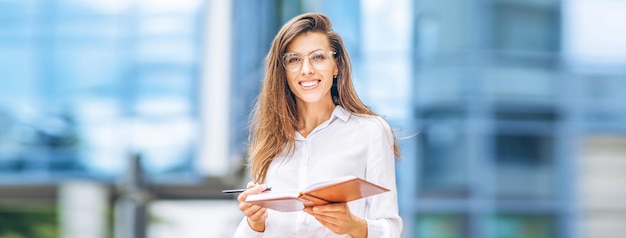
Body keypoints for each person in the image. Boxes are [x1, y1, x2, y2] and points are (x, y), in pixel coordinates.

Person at [234, 12, 403, 237]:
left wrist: (354, 225)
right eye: (294, 59)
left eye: (318, 57)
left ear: (336, 66)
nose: (306, 70)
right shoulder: (271, 137)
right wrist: (254, 222)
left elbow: (391, 229)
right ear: (283, 72)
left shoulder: (370, 131)